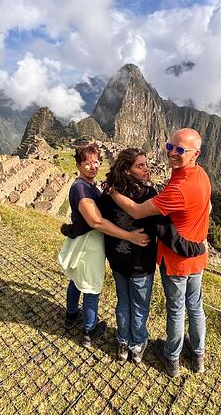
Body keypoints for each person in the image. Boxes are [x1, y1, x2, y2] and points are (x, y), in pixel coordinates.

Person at [111, 129, 211, 377]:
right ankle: (198, 355)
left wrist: (112, 191)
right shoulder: (201, 175)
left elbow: (135, 211)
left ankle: (172, 358)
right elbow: (208, 206)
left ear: (195, 154)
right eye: (170, 146)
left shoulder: (177, 191)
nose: (172, 153)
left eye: (179, 150)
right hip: (197, 257)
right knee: (195, 307)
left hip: (176, 261)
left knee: (177, 310)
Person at [58, 144, 149, 348]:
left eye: (96, 161)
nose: (92, 166)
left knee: (76, 279)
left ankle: (71, 315)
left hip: (82, 240)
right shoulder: (80, 188)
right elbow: (96, 221)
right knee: (91, 286)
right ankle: (90, 330)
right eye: (87, 163)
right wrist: (129, 236)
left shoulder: (89, 185)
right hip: (89, 243)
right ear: (78, 165)